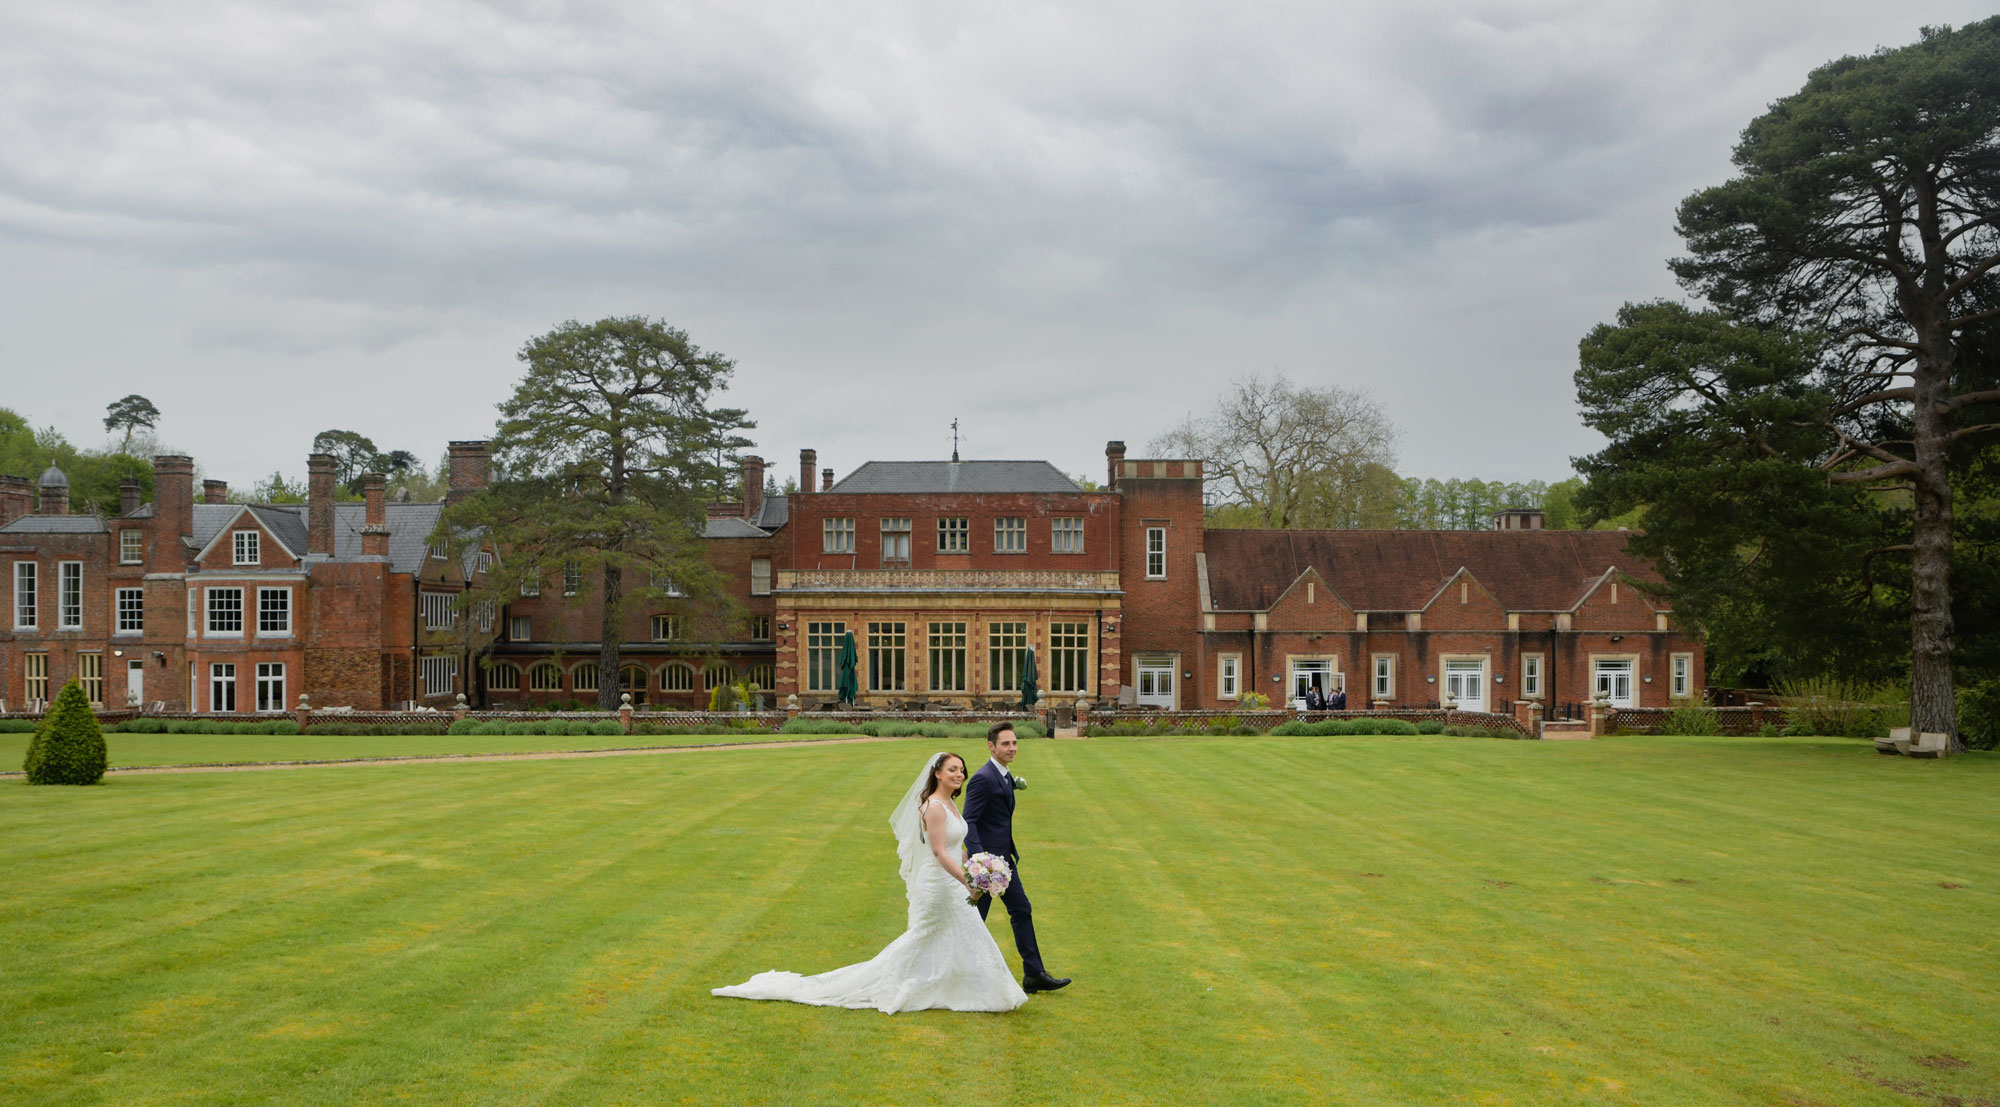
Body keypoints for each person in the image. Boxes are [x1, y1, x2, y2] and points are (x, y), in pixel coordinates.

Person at [712, 752, 1029, 1013]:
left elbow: (954, 847)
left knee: (959, 933)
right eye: (952, 770)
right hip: (937, 884)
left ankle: (965, 987)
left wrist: (977, 866)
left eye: (961, 770)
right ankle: (919, 985)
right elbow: (936, 852)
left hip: (952, 882)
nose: (959, 775)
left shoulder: (949, 804)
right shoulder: (933, 806)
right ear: (937, 774)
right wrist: (966, 880)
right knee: (924, 936)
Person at [963, 722, 1071, 994]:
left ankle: (1034, 974)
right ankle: (961, 974)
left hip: (1005, 863)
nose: (1012, 748)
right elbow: (969, 821)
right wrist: (980, 862)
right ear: (991, 746)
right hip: (988, 866)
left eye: (1014, 743)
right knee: (974, 920)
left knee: (1022, 910)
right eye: (1006, 744)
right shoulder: (983, 778)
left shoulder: (1003, 775)